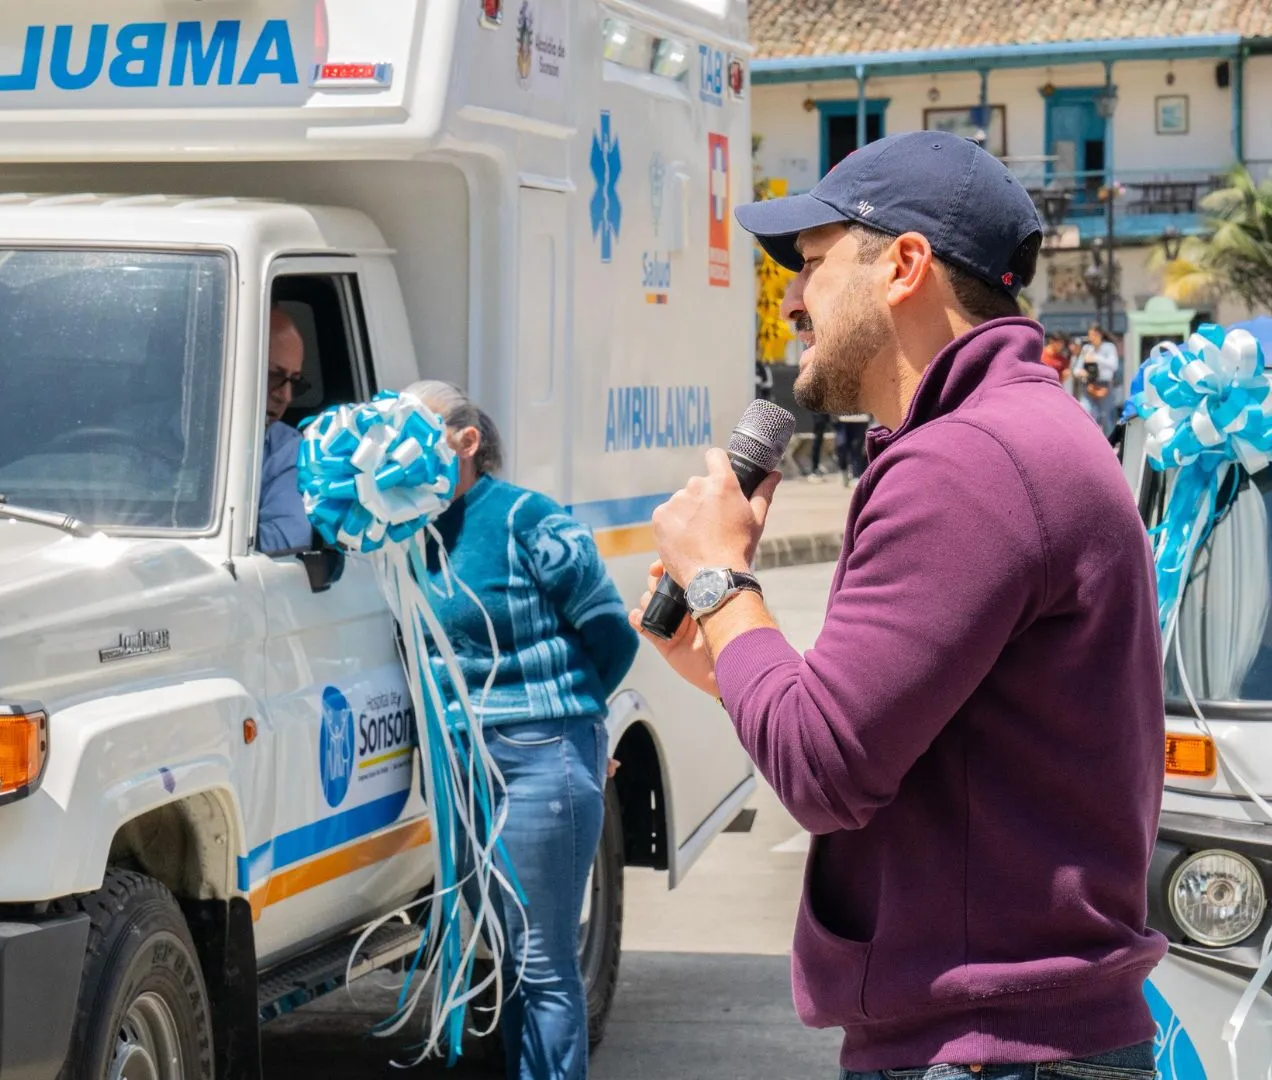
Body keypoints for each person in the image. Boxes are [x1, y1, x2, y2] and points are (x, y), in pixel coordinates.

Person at [637, 131, 1164, 1079]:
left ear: (905, 266)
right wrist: (732, 663)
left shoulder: (968, 462)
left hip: (988, 1053)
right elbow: (887, 737)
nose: (793, 300)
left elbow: (824, 773)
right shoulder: (1017, 435)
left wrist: (719, 577)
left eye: (811, 265)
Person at [407, 380, 637, 1080]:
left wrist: (572, 726)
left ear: (466, 442)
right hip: (462, 766)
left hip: (540, 756)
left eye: (416, 439)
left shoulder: (527, 519)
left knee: (541, 962)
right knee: (506, 958)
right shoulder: (405, 537)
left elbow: (611, 636)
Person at [258, 306, 314, 552]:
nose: (286, 396)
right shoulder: (148, 427)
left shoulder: (287, 449)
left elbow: (288, 537)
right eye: (274, 375)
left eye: (294, 382)